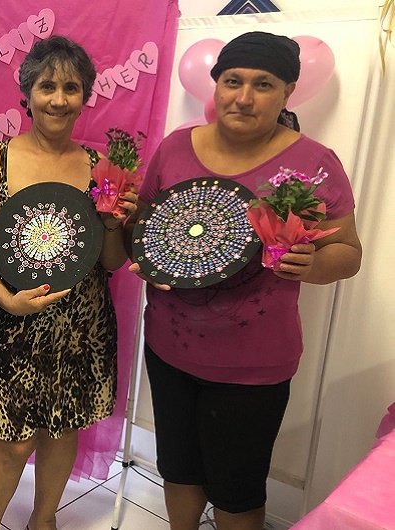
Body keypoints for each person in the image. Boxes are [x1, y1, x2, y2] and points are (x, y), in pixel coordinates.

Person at [126, 32, 363, 530]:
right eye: (233, 81)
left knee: (237, 492)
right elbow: (144, 224)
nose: (244, 97)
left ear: (288, 92)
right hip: (169, 349)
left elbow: (347, 253)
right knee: (178, 470)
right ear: (216, 85)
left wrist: (311, 265)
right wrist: (145, 253)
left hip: (253, 367)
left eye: (264, 84)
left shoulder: (313, 163)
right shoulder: (175, 148)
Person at [0, 35, 137, 530]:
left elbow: (111, 261)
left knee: (63, 429)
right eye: (47, 87)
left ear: (84, 96)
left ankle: (44, 520)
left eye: (71, 88)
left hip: (82, 324)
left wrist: (114, 223)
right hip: (10, 320)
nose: (58, 99)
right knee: (14, 440)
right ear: (28, 93)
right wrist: (6, 299)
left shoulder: (100, 168)